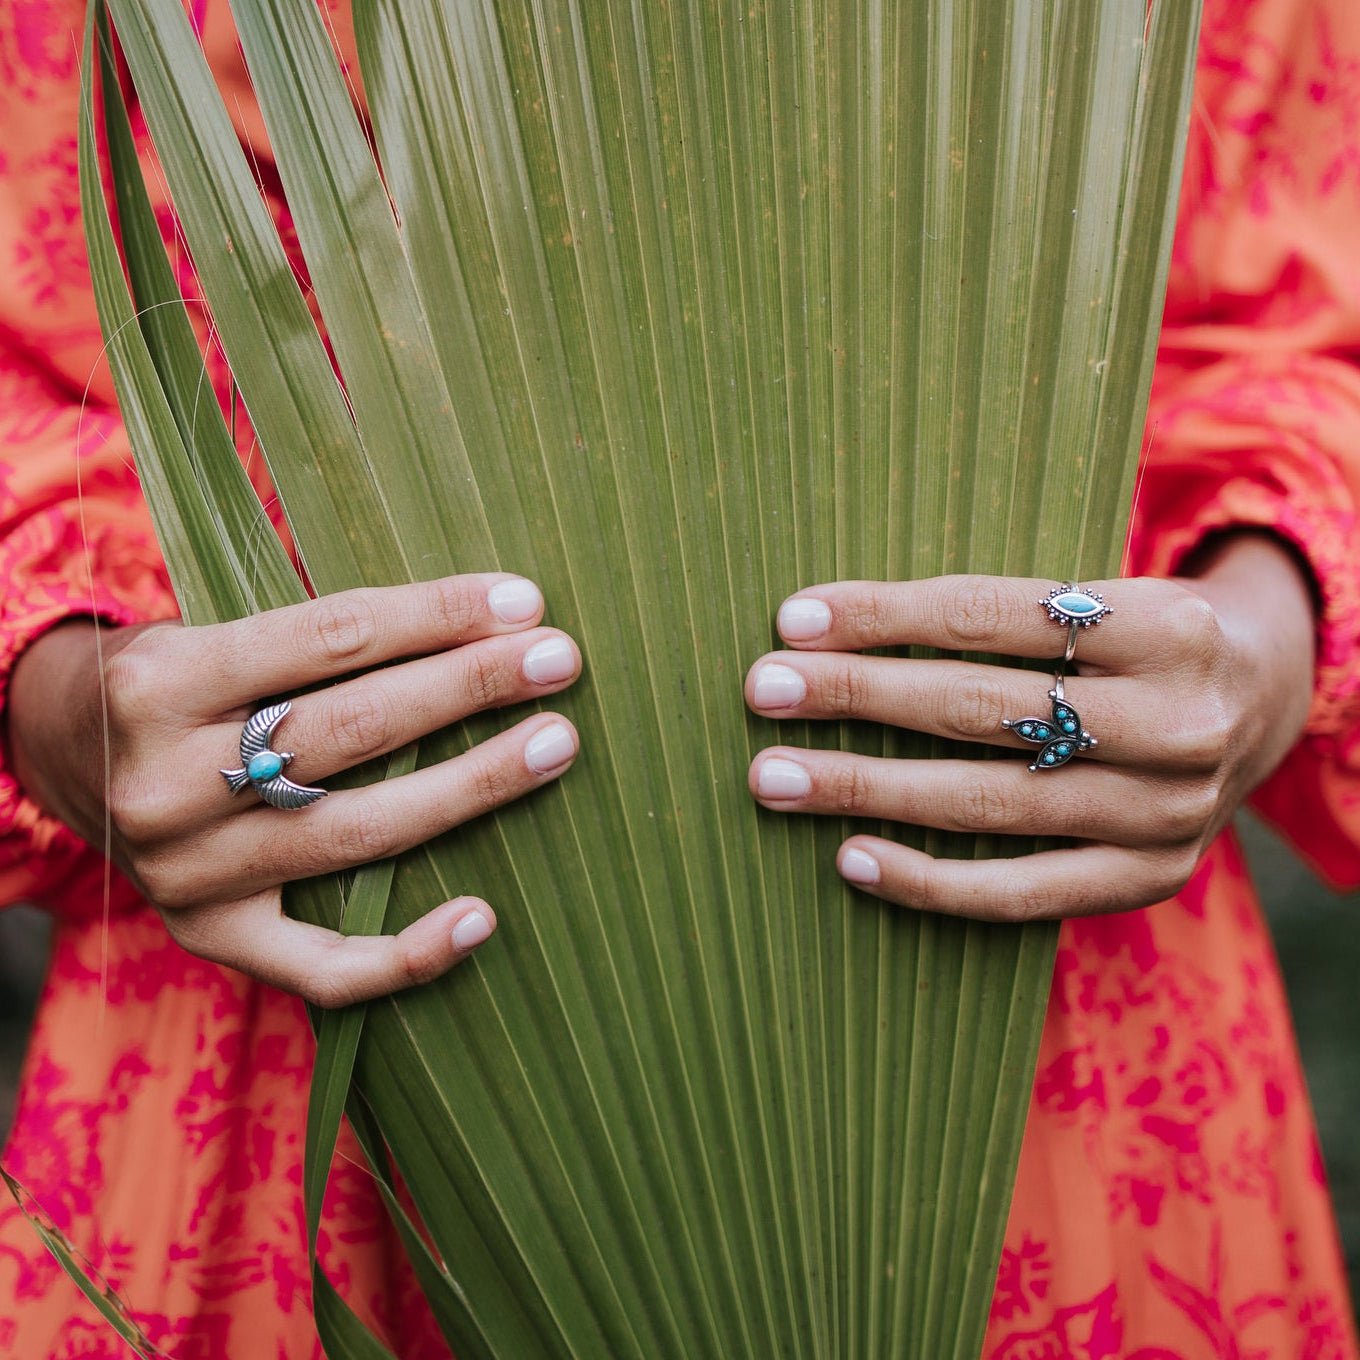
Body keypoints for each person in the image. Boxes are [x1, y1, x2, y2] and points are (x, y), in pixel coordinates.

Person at [1, 1, 1356, 1357]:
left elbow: (1296, 306)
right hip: (291, 964)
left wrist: (1261, 647)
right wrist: (73, 703)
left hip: (1006, 980)